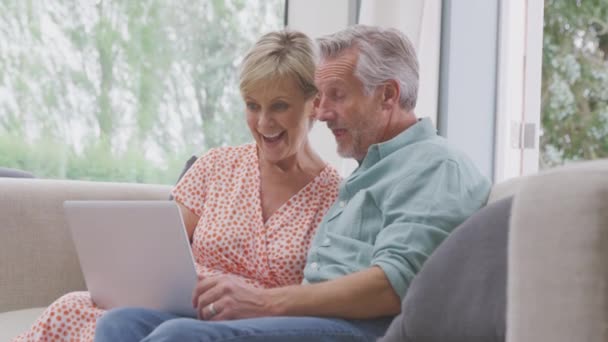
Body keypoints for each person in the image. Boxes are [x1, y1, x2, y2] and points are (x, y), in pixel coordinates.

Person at [94, 25, 492, 342]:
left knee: (179, 336)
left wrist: (264, 302)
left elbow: (392, 286)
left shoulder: (436, 166)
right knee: (122, 325)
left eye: (336, 96)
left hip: (364, 327)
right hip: (314, 316)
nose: (323, 112)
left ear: (387, 95)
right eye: (319, 97)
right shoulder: (369, 172)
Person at [12, 29, 341, 342]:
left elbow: (323, 294)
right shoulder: (216, 166)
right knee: (74, 307)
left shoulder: (337, 197)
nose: (264, 122)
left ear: (313, 103)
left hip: (251, 327)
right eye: (252, 106)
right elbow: (158, 251)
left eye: (279, 105)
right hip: (179, 310)